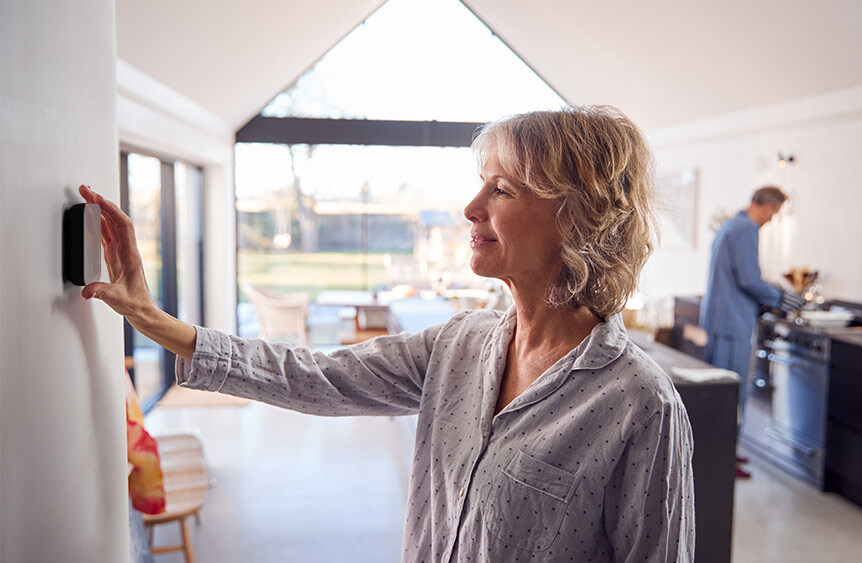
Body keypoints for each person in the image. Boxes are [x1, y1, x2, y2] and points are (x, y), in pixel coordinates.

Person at [79, 105, 696, 562]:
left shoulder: (639, 405)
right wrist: (158, 324)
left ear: (577, 216)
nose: (471, 206)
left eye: (501, 189)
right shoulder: (460, 344)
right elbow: (315, 376)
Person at [699, 186, 804, 479]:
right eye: (775, 213)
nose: (773, 220)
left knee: (721, 390)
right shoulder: (746, 229)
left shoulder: (730, 226)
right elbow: (748, 278)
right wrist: (781, 297)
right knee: (732, 393)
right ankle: (722, 460)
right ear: (769, 207)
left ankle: (723, 453)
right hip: (732, 323)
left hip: (719, 319)